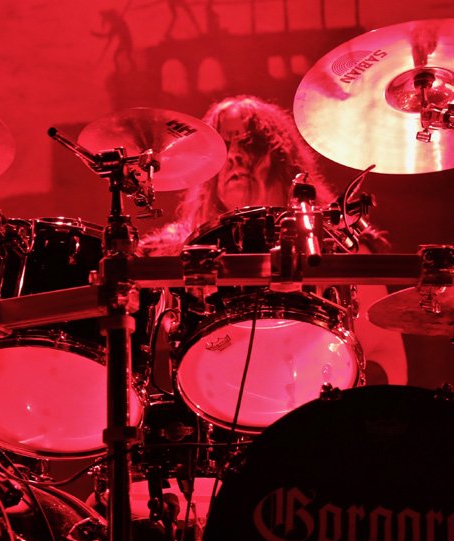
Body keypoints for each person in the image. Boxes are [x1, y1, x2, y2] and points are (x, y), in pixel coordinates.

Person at [140, 94, 407, 388]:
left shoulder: (337, 245)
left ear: (283, 161)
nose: (235, 156)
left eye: (249, 144)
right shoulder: (176, 253)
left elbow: (384, 361)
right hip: (212, 398)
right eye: (224, 148)